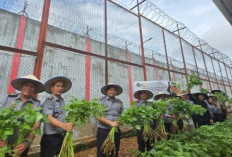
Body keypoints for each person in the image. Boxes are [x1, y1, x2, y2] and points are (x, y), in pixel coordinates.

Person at [0, 75, 45, 157]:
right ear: (21, 86)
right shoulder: (8, 98)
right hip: (3, 143)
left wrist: (27, 143)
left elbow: (36, 125)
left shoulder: (37, 104)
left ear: (34, 89)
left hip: (20, 146)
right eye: (26, 85)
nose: (28, 88)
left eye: (32, 86)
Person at [40, 76, 73, 157]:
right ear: (52, 88)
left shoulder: (61, 100)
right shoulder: (49, 101)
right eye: (57, 86)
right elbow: (48, 118)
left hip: (61, 136)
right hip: (51, 138)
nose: (60, 88)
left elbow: (62, 117)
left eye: (62, 86)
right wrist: (64, 126)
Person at [95, 83, 123, 157]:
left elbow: (122, 116)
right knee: (102, 151)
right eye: (110, 90)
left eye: (114, 90)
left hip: (116, 131)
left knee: (114, 151)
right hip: (103, 130)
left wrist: (120, 121)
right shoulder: (101, 101)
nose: (112, 91)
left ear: (116, 92)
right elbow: (97, 116)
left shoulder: (119, 102)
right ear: (107, 91)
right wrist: (111, 123)